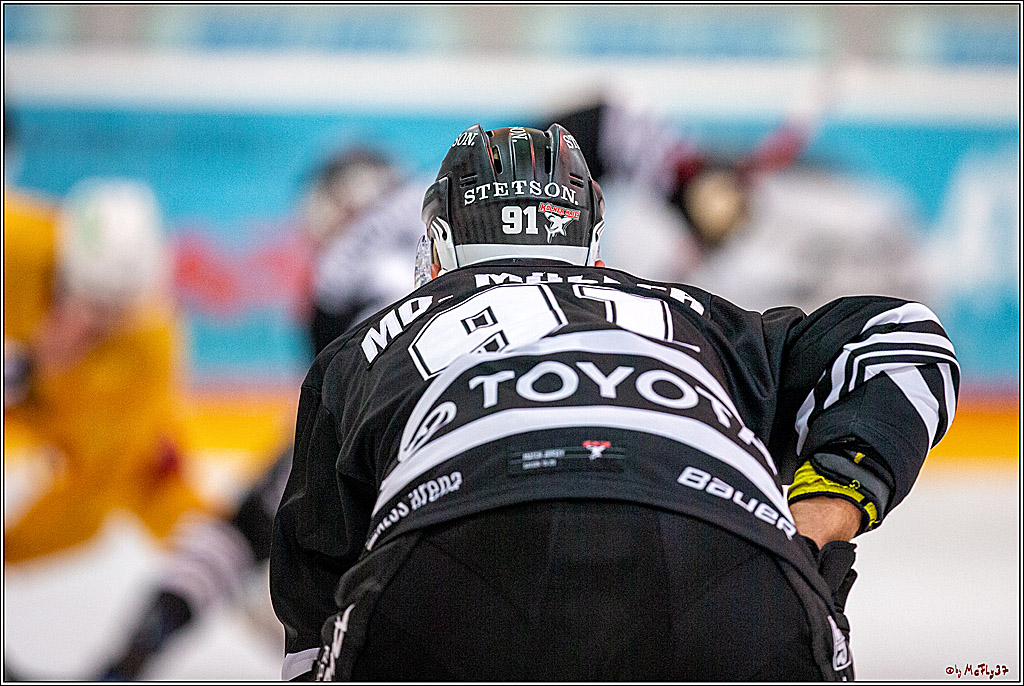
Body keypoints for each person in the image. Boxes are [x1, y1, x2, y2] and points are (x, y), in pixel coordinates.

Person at [270, 124, 959, 680]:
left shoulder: (363, 349)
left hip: (458, 563)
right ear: (593, 249)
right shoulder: (692, 317)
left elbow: (311, 603)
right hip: (727, 565)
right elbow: (904, 338)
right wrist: (817, 516)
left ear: (439, 247)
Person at [94, 146, 426, 680]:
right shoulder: (443, 200)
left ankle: (141, 642)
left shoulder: (333, 277)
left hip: (391, 400)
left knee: (250, 528)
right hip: (503, 393)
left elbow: (345, 383)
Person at [3, 178, 214, 564]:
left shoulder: (145, 355)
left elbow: (89, 494)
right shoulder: (14, 241)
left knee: (163, 490)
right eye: (85, 302)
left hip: (77, 424)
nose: (89, 329)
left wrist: (10, 547)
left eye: (114, 317)